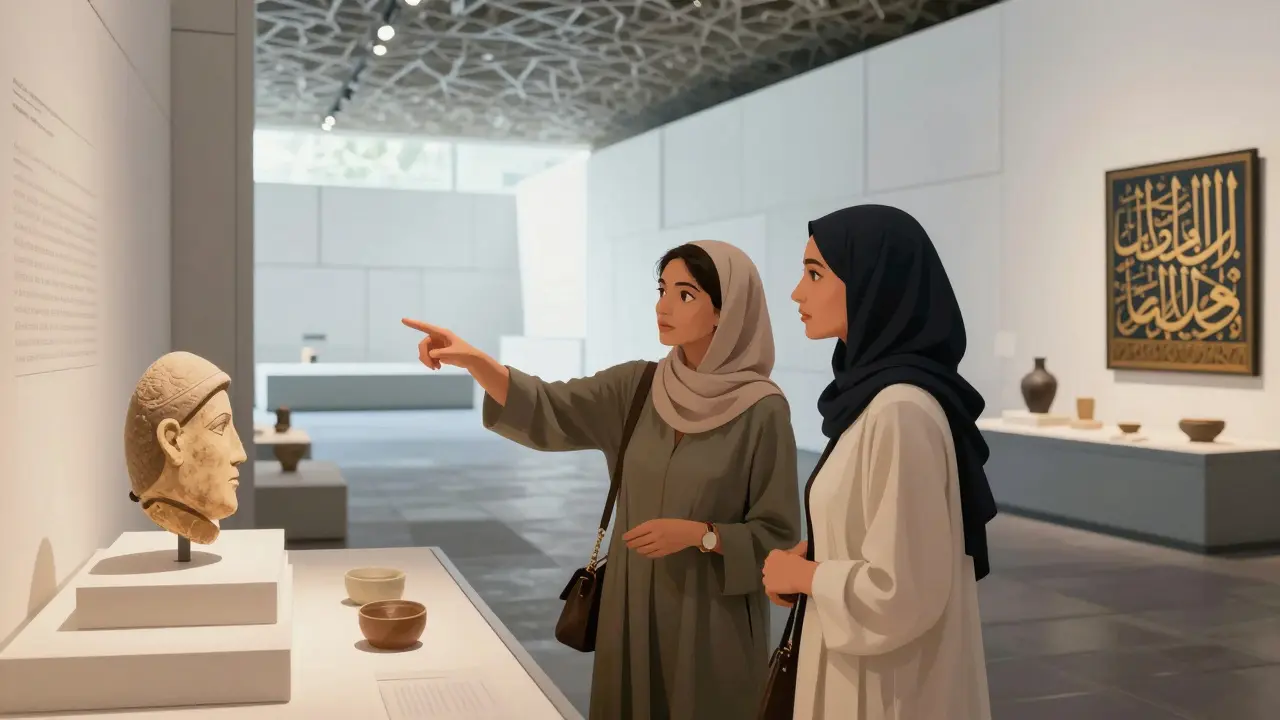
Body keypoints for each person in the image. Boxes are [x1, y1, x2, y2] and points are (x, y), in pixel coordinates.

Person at [403, 240, 801, 720]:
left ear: (725, 311)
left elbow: (778, 537)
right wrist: (475, 361)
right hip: (630, 612)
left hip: (711, 625)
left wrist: (702, 535)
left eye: (685, 294)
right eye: (661, 290)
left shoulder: (762, 411)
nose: (662, 306)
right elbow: (551, 405)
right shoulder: (637, 388)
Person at [761, 204, 995, 719]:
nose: (798, 292)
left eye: (815, 273)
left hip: (887, 692)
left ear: (872, 282)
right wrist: (817, 553)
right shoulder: (875, 400)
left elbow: (900, 592)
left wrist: (804, 578)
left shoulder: (900, 411)